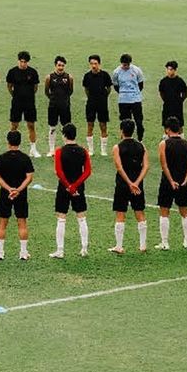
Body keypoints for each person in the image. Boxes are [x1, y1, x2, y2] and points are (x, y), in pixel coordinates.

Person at [50, 123, 92, 258]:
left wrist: (69, 186)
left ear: (64, 135)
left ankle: (60, 250)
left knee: (61, 218)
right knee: (81, 217)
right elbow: (87, 171)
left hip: (64, 188)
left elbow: (59, 171)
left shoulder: (59, 151)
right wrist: (76, 186)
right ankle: (84, 248)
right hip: (79, 188)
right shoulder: (83, 151)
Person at [108, 119, 150, 254]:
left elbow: (119, 167)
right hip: (138, 186)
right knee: (140, 212)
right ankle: (143, 245)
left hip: (122, 184)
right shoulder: (141, 146)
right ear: (133, 131)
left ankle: (119, 246)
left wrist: (129, 183)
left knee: (120, 213)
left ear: (121, 131)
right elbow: (146, 166)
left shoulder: (117, 147)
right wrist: (136, 183)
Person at [0, 130, 35, 261]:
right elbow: (29, 177)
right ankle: (23, 252)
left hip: (5, 194)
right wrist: (18, 190)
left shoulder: (1, 158)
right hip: (21, 195)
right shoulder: (25, 158)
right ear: (20, 142)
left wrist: (9, 189)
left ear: (8, 142)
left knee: (2, 223)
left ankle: (0, 252)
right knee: (22, 222)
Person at [156, 116, 187, 249]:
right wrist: (185, 180)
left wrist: (171, 181)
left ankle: (165, 242)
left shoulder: (163, 144)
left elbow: (164, 165)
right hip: (183, 181)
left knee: (164, 211)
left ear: (167, 130)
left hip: (167, 182)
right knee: (184, 210)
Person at [6, 51, 41, 158]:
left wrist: (28, 95)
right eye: (21, 61)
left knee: (31, 125)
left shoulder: (33, 72)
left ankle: (33, 150)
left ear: (27, 62)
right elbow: (9, 86)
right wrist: (15, 95)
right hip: (16, 102)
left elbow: (35, 87)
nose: (23, 64)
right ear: (18, 61)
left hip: (29, 103)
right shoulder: (12, 72)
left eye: (25, 62)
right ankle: (12, 148)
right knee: (14, 125)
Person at [82, 54, 113, 156]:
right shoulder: (87, 76)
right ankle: (91, 150)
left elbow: (109, 88)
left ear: (99, 64)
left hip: (102, 104)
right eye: (91, 64)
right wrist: (91, 97)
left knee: (103, 125)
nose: (93, 66)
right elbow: (86, 89)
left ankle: (103, 150)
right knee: (90, 125)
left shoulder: (105, 75)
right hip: (91, 103)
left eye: (95, 63)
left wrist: (103, 96)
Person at [44, 56, 74, 157]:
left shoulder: (69, 77)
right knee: (52, 128)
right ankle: (51, 150)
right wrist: (53, 99)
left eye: (62, 65)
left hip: (65, 107)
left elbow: (70, 91)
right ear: (55, 65)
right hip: (53, 107)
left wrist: (64, 99)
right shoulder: (49, 77)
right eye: (59, 65)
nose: (61, 67)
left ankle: (66, 148)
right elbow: (46, 92)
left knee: (66, 128)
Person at [112, 53, 145, 142]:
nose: (125, 67)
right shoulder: (116, 72)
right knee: (125, 123)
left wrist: (134, 93)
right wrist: (123, 93)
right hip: (123, 101)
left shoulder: (137, 70)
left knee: (139, 122)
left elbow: (140, 85)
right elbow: (116, 86)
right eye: (124, 65)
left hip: (135, 100)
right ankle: (125, 141)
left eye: (127, 65)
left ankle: (140, 140)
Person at [158, 61, 187, 129]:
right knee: (166, 125)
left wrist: (179, 101)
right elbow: (161, 93)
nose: (169, 71)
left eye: (171, 69)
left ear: (175, 70)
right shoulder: (163, 81)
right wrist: (166, 100)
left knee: (179, 125)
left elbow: (184, 93)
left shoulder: (180, 81)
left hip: (177, 107)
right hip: (167, 106)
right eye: (168, 69)